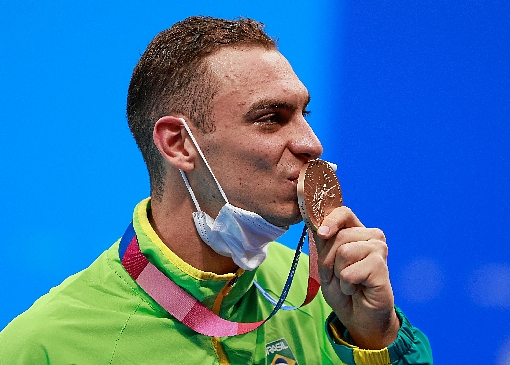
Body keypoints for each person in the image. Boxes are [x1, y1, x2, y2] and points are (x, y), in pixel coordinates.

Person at [0, 16, 432, 364]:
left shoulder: (331, 295)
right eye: (271, 118)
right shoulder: (43, 348)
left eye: (304, 112)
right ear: (179, 144)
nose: (311, 143)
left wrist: (376, 339)